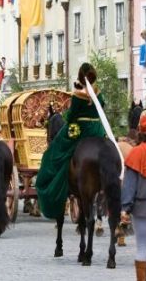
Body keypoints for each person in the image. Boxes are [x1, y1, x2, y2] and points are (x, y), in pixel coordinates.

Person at [36, 62, 105, 219]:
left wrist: (68, 117)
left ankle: (54, 182)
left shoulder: (78, 94)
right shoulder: (98, 93)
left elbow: (72, 115)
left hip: (81, 129)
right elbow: (102, 108)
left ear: (81, 77)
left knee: (54, 151)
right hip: (98, 130)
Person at [121, 115, 146, 281]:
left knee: (142, 248)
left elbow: (130, 184)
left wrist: (125, 208)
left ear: (141, 134)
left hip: (141, 208)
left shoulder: (136, 153)